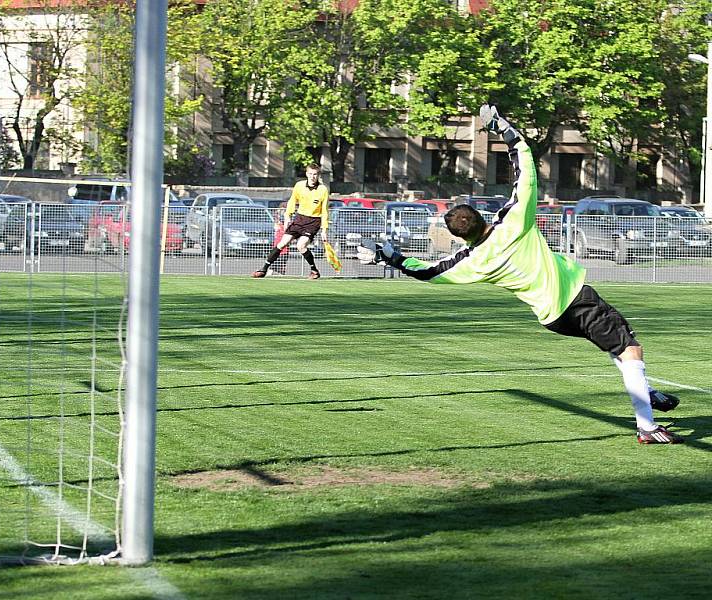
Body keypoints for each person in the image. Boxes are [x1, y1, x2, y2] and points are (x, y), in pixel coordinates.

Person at [357, 104, 683, 444]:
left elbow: (429, 272)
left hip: (551, 318)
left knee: (616, 348)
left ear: (458, 237)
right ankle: (647, 426)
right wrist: (502, 128)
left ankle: (648, 394)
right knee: (630, 350)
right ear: (483, 215)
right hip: (576, 299)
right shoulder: (514, 221)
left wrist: (389, 256)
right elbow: (524, 166)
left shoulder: (474, 261)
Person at [252, 163, 329, 280]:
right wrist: (288, 216)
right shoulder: (299, 185)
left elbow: (325, 210)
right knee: (282, 243)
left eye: (315, 174)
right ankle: (263, 269)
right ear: (306, 174)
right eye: (310, 174)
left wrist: (324, 229)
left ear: (318, 175)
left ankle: (314, 271)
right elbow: (292, 201)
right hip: (299, 219)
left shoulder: (323, 189)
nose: (313, 176)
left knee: (301, 245)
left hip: (313, 221)